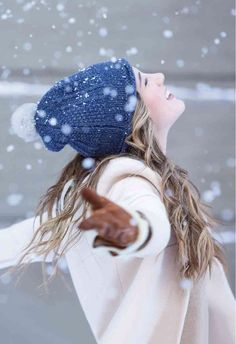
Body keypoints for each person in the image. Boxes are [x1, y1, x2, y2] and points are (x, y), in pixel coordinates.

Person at [0, 57, 235, 343]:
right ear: (133, 119)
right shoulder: (129, 180)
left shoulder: (116, 183)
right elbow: (151, 224)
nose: (159, 75)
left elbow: (38, 231)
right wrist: (133, 231)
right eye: (145, 82)